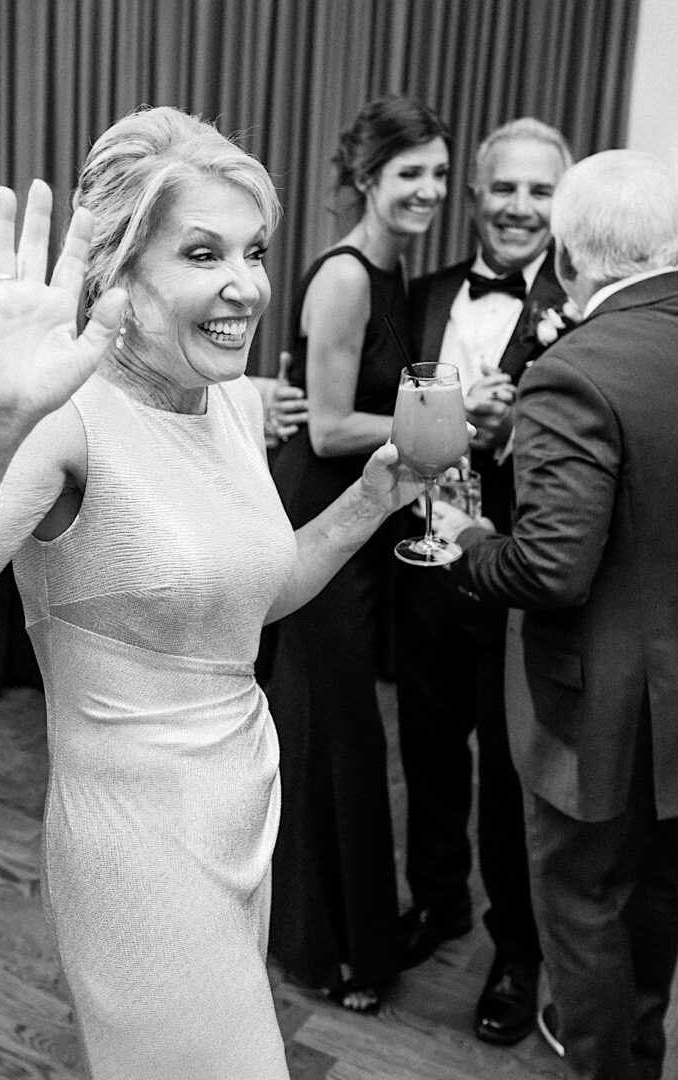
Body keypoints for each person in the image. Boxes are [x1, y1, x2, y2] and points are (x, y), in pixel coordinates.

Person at [0, 106, 424, 1078]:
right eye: (203, 253)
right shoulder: (64, 423)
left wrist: (370, 502)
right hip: (138, 844)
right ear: (116, 271)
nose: (246, 284)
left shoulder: (234, 406)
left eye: (253, 250)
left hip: (243, 802)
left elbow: (250, 598)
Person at [437, 150, 678, 1078]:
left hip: (594, 702)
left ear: (568, 252)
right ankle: (640, 1048)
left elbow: (550, 570)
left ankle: (605, 1065)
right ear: (670, 241)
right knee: (658, 889)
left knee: (584, 904)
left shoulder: (575, 370)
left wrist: (468, 540)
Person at [263, 93, 449, 1014]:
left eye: (439, 174)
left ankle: (339, 929)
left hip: (369, 520)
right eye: (410, 172)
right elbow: (331, 427)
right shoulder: (342, 275)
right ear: (368, 177)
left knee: (336, 726)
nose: (429, 189)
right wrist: (451, 423)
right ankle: (328, 947)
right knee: (335, 728)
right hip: (322, 514)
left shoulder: (397, 270)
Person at [391, 117, 572, 1044]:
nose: (520, 207)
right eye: (505, 188)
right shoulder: (420, 296)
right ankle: (437, 902)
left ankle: (516, 948)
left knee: (508, 774)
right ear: (475, 196)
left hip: (513, 576)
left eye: (541, 191)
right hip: (421, 565)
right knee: (426, 749)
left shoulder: (582, 311)